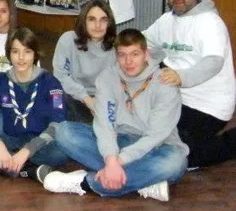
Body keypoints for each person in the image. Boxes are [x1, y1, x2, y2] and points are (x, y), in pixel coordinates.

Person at [42, 29, 188, 202]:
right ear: (116, 56)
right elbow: (105, 124)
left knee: (174, 162)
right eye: (122, 55)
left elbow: (155, 136)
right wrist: (111, 159)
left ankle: (85, 183)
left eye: (135, 54)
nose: (128, 61)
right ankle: (143, 181)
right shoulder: (107, 78)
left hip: (156, 147)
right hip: (117, 140)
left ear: (146, 54)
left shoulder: (165, 83)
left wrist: (119, 161)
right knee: (64, 132)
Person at [143, 0, 236, 168]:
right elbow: (142, 43)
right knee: (146, 136)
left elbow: (213, 62)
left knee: (179, 155)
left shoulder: (210, 23)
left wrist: (181, 77)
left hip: (208, 107)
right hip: (176, 99)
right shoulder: (166, 21)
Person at [0, 27, 67, 180]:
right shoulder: (1, 80)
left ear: (35, 54)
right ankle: (29, 170)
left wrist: (28, 150)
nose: (21, 58)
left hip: (40, 143)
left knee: (62, 153)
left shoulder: (51, 83)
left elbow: (58, 123)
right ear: (9, 54)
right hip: (10, 140)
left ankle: (3, 165)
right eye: (15, 51)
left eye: (27, 52)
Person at [53, 0, 118, 122]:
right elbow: (60, 76)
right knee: (55, 95)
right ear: (84, 21)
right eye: (92, 19)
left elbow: (116, 84)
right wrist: (85, 98)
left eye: (103, 20)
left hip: (100, 99)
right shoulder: (68, 40)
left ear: (109, 23)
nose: (98, 25)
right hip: (72, 94)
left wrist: (99, 102)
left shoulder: (116, 47)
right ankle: (58, 124)